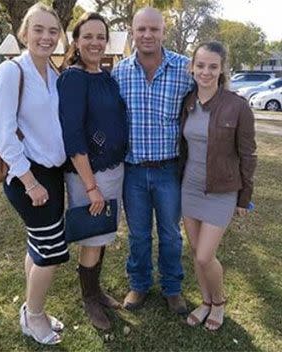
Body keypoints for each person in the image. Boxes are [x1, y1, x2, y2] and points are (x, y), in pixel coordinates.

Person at [0, 3, 67, 345]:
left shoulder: (54, 73)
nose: (46, 37)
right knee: (51, 251)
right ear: (24, 32)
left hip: (53, 175)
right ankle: (33, 316)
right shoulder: (11, 71)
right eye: (39, 29)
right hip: (27, 177)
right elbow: (1, 132)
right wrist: (29, 181)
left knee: (38, 245)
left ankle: (32, 309)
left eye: (53, 31)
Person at [111, 7, 192, 314]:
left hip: (169, 170)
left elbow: (213, 93)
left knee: (171, 234)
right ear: (133, 31)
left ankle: (172, 288)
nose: (147, 35)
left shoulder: (185, 70)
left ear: (163, 32)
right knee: (139, 234)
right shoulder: (120, 72)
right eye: (141, 29)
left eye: (153, 30)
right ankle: (139, 285)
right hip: (133, 171)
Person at [57, 12, 128, 330]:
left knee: (102, 236)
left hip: (114, 170)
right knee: (92, 235)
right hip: (90, 174)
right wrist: (90, 187)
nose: (95, 42)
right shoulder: (73, 78)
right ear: (76, 41)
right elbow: (72, 135)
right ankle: (88, 298)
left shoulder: (106, 75)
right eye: (88, 36)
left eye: (101, 36)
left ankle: (96, 290)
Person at [180, 41, 257, 330]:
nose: (206, 72)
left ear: (222, 68)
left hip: (222, 190)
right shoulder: (187, 102)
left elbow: (249, 154)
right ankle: (205, 301)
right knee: (196, 254)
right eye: (200, 65)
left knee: (205, 254)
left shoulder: (237, 106)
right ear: (192, 67)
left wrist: (243, 198)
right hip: (189, 187)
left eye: (213, 66)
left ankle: (220, 301)